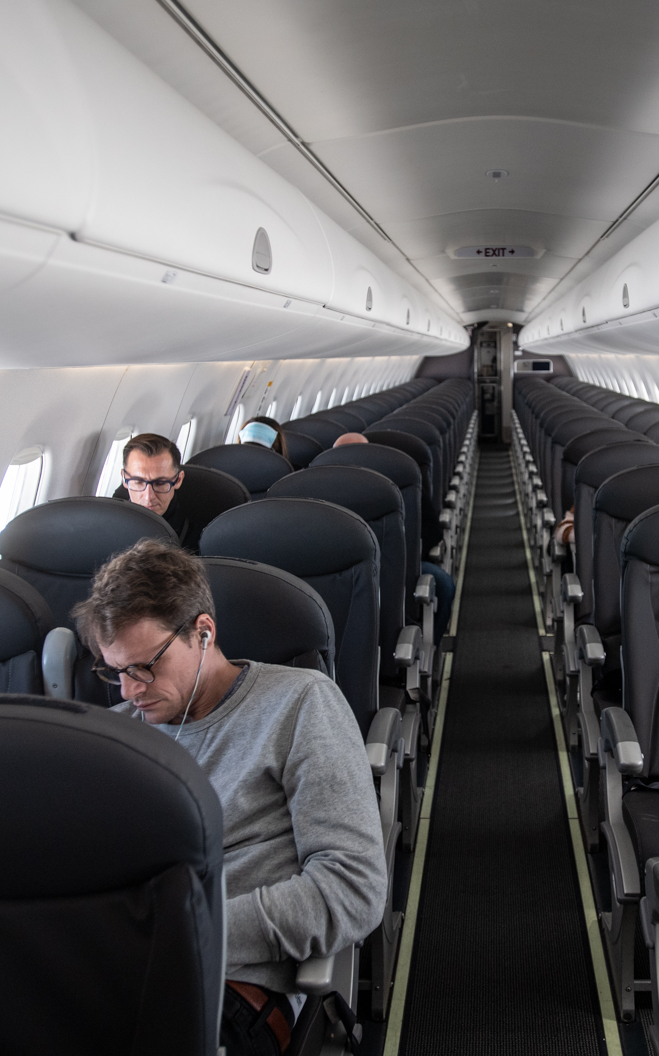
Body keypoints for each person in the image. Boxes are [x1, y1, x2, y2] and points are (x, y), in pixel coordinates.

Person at [72, 540, 387, 1054]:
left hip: (226, 987)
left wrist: (190, 935)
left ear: (203, 631)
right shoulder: (114, 738)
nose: (129, 692)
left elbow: (353, 887)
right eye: (116, 671)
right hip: (108, 974)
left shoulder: (299, 703)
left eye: (145, 667)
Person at [322, 433, 456, 629]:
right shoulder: (323, 491)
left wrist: (403, 555)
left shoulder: (397, 483)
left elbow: (432, 530)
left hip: (401, 565)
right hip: (344, 571)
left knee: (444, 585)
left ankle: (430, 647)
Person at [118, 432, 209, 549]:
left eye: (160, 483)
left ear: (178, 480)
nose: (148, 497)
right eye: (138, 482)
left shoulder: (200, 535)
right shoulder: (108, 524)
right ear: (124, 479)